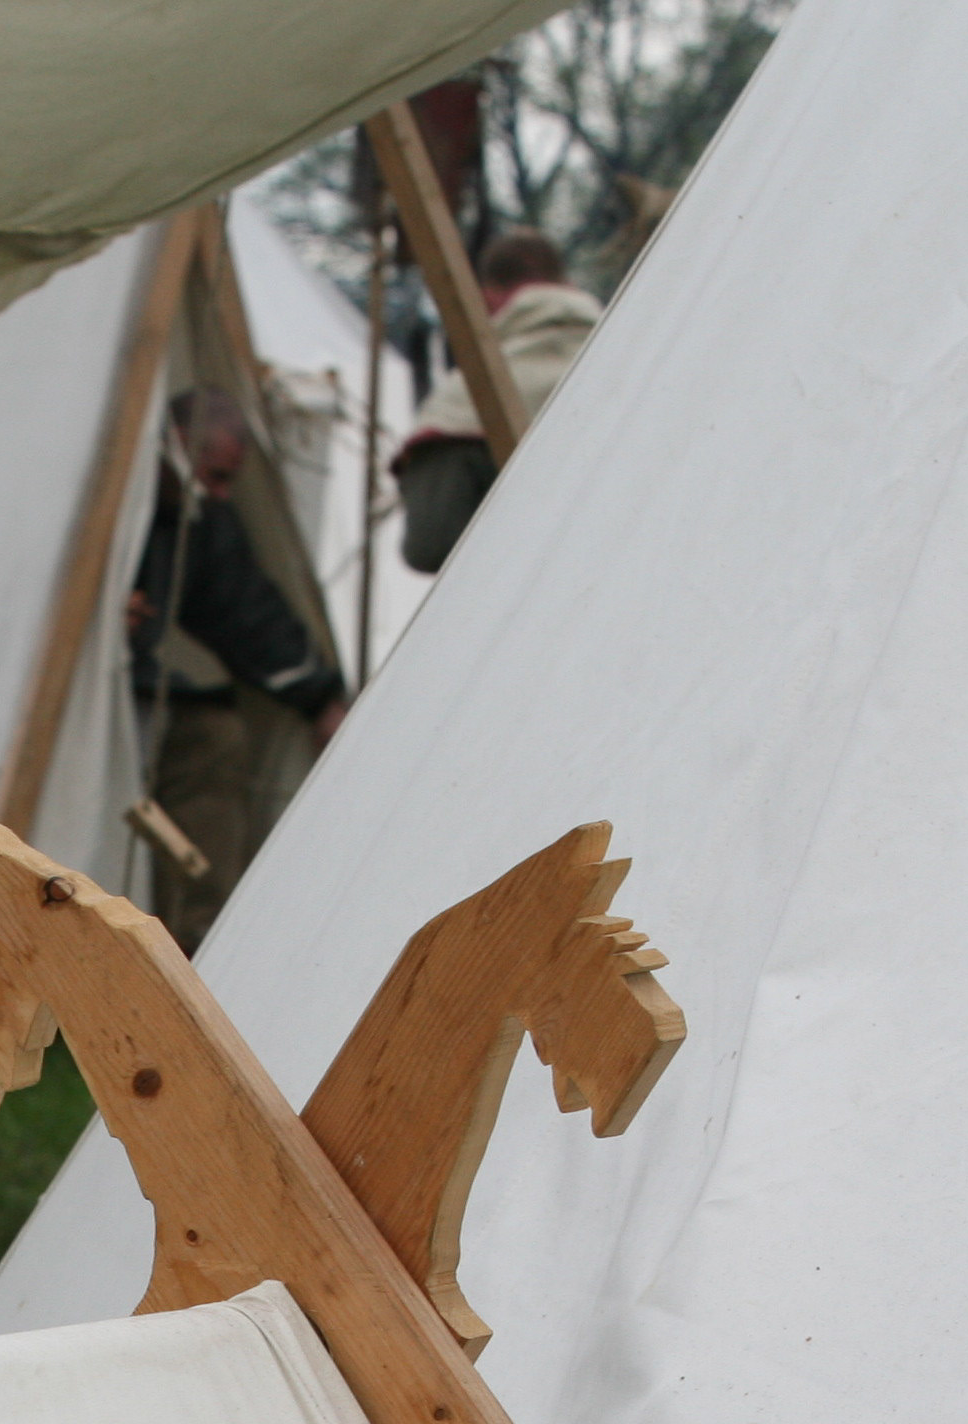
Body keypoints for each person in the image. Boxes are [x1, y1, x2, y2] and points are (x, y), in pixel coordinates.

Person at [128, 389, 346, 951]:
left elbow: (243, 608)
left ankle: (197, 939)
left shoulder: (198, 517)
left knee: (215, 736)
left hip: (144, 688)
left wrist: (318, 698)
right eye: (217, 475)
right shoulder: (118, 483)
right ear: (178, 445)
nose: (221, 493)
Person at [393, 228, 611, 573]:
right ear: (567, 285)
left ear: (489, 300)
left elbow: (430, 546)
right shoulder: (638, 372)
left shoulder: (464, 402)